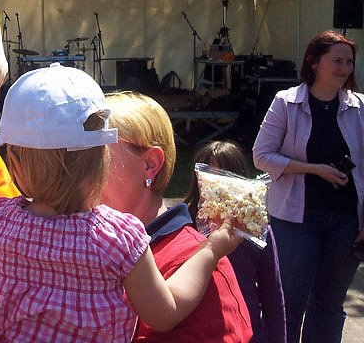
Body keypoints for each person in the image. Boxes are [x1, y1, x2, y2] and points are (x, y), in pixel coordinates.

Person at [0, 64, 242, 341]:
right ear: (103, 159)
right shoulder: (120, 238)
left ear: (15, 163)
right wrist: (211, 249)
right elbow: (165, 313)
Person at [102, 91, 253, 342]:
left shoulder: (195, 263)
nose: (80, 171)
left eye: (98, 155)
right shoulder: (100, 243)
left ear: (150, 164)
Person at [252, 29, 364, 343]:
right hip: (294, 220)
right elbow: (261, 156)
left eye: (349, 62)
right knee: (288, 302)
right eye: (337, 60)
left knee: (329, 305)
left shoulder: (361, 108)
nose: (344, 68)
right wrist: (314, 170)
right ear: (314, 62)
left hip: (346, 222)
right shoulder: (286, 103)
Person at [184, 140, 286, 343]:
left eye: (223, 178)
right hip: (196, 333)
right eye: (208, 178)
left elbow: (272, 296)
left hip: (246, 333)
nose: (216, 187)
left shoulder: (256, 231)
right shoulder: (183, 224)